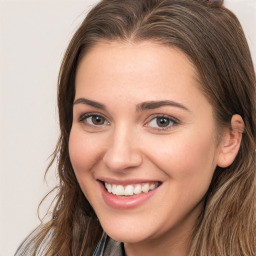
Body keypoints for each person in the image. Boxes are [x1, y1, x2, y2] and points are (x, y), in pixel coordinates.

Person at [15, 0, 256, 255]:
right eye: (96, 119)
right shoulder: (43, 250)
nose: (118, 159)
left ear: (229, 139)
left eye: (161, 121)